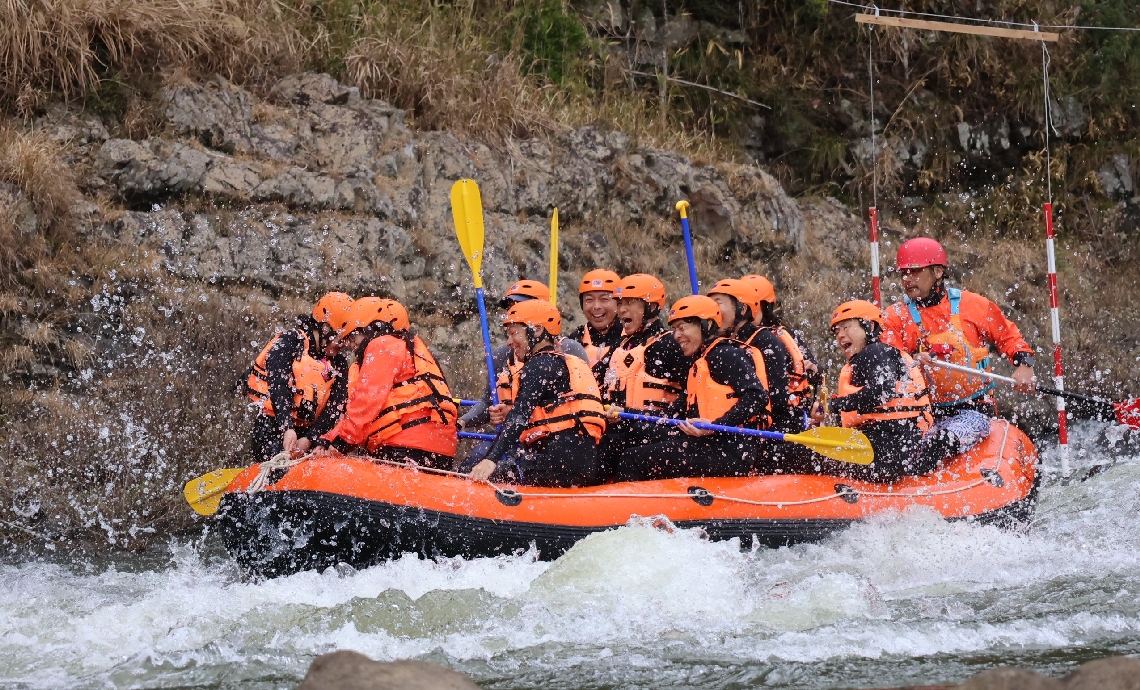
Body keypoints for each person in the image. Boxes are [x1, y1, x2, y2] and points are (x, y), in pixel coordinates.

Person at [881, 238, 1035, 460]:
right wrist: (912, 359)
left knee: (940, 443)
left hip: (974, 409)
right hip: (925, 413)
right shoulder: (894, 317)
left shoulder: (972, 305)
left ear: (937, 272)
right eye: (904, 273)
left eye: (915, 272)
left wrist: (1024, 365)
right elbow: (887, 362)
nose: (908, 279)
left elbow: (1008, 336)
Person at [616, 295, 771, 482]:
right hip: (708, 442)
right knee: (634, 433)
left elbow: (757, 396)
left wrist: (715, 427)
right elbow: (669, 415)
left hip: (731, 451)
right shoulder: (700, 364)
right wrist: (624, 413)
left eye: (682, 328)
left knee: (633, 459)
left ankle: (627, 501)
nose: (676, 336)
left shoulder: (725, 354)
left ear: (706, 325)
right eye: (674, 329)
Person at [469, 300, 606, 487]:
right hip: (576, 462)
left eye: (513, 333)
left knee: (488, 477)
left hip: (558, 464)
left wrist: (490, 459)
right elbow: (543, 410)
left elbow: (519, 416)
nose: (509, 342)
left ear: (538, 330)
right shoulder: (556, 362)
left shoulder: (540, 363)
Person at [457, 280, 588, 471]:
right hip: (508, 438)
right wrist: (463, 421)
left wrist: (511, 412)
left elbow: (576, 401)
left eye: (520, 305)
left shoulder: (568, 350)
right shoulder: (502, 354)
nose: (513, 311)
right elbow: (488, 401)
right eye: (511, 307)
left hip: (549, 438)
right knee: (470, 464)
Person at [314, 297, 458, 468]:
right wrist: (328, 439)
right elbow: (362, 409)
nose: (350, 344)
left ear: (368, 329)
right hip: (441, 450)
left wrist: (340, 444)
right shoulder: (412, 346)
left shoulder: (382, 345)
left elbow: (367, 401)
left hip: (406, 446)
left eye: (353, 336)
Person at [823, 300, 935, 482]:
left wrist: (834, 405)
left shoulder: (876, 352)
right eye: (837, 332)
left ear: (869, 326)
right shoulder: (867, 359)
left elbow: (882, 391)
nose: (840, 335)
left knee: (807, 456)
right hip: (891, 444)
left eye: (846, 327)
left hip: (892, 446)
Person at [598, 274, 691, 479]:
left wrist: (665, 418)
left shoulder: (669, 345)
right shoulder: (620, 346)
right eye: (620, 303)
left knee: (623, 450)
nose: (622, 310)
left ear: (652, 307)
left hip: (655, 433)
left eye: (630, 303)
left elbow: (693, 392)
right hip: (621, 431)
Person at [245, 292, 353, 462]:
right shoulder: (290, 342)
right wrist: (287, 427)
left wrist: (309, 438)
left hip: (307, 433)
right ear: (325, 328)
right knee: (278, 465)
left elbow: (334, 407)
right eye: (341, 339)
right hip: (273, 426)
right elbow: (278, 386)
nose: (344, 345)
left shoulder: (339, 363)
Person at [708, 278, 815, 435]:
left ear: (743, 309)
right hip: (741, 426)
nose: (713, 311)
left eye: (717, 304)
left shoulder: (766, 340)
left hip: (779, 429)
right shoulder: (723, 345)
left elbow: (777, 399)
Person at [567, 269, 624, 386]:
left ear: (619, 303)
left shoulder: (632, 341)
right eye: (589, 300)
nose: (596, 306)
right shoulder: (574, 341)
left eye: (604, 299)